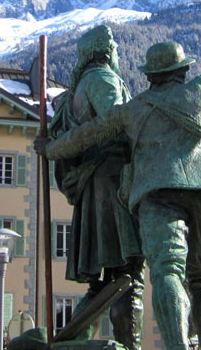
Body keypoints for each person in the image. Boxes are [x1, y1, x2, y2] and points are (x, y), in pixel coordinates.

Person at [37, 20, 201, 350]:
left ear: (150, 75)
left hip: (156, 192)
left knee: (166, 274)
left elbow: (85, 135)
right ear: (182, 69)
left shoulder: (132, 110)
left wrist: (50, 149)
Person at [48, 25, 144, 350]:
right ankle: (131, 347)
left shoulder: (77, 89)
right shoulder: (103, 78)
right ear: (104, 51)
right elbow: (116, 123)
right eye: (114, 47)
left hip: (93, 189)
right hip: (115, 185)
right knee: (128, 277)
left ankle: (73, 341)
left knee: (98, 285)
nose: (117, 52)